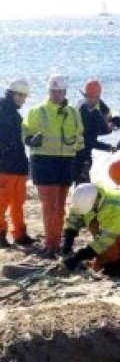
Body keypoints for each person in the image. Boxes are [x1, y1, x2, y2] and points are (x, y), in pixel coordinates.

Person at [23, 75, 84, 257]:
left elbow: (79, 137)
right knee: (49, 205)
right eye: (53, 91)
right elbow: (26, 133)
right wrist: (31, 140)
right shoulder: (38, 111)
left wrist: (81, 162)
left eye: (59, 92)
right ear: (49, 91)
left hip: (66, 162)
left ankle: (56, 241)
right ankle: (51, 244)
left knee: (60, 205)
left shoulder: (73, 112)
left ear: (65, 92)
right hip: (44, 161)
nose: (56, 95)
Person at [61, 183, 120, 276]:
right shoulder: (86, 197)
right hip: (111, 229)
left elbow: (106, 239)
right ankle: (107, 257)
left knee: (111, 267)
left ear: (95, 201)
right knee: (98, 263)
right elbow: (75, 216)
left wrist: (79, 256)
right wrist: (68, 241)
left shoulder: (113, 207)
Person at [0, 79, 36, 247]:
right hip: (5, 166)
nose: (24, 100)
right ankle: (2, 234)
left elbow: (17, 142)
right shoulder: (3, 111)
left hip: (16, 166)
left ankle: (19, 234)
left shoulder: (13, 113)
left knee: (18, 203)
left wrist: (24, 163)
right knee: (2, 202)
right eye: (22, 96)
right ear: (14, 94)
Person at [76, 78, 120, 184]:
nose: (88, 99)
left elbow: (109, 114)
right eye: (86, 96)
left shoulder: (99, 105)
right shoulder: (83, 110)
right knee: (82, 179)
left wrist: (116, 120)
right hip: (78, 151)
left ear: (98, 96)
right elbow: (89, 140)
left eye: (91, 96)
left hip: (87, 147)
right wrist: (108, 147)